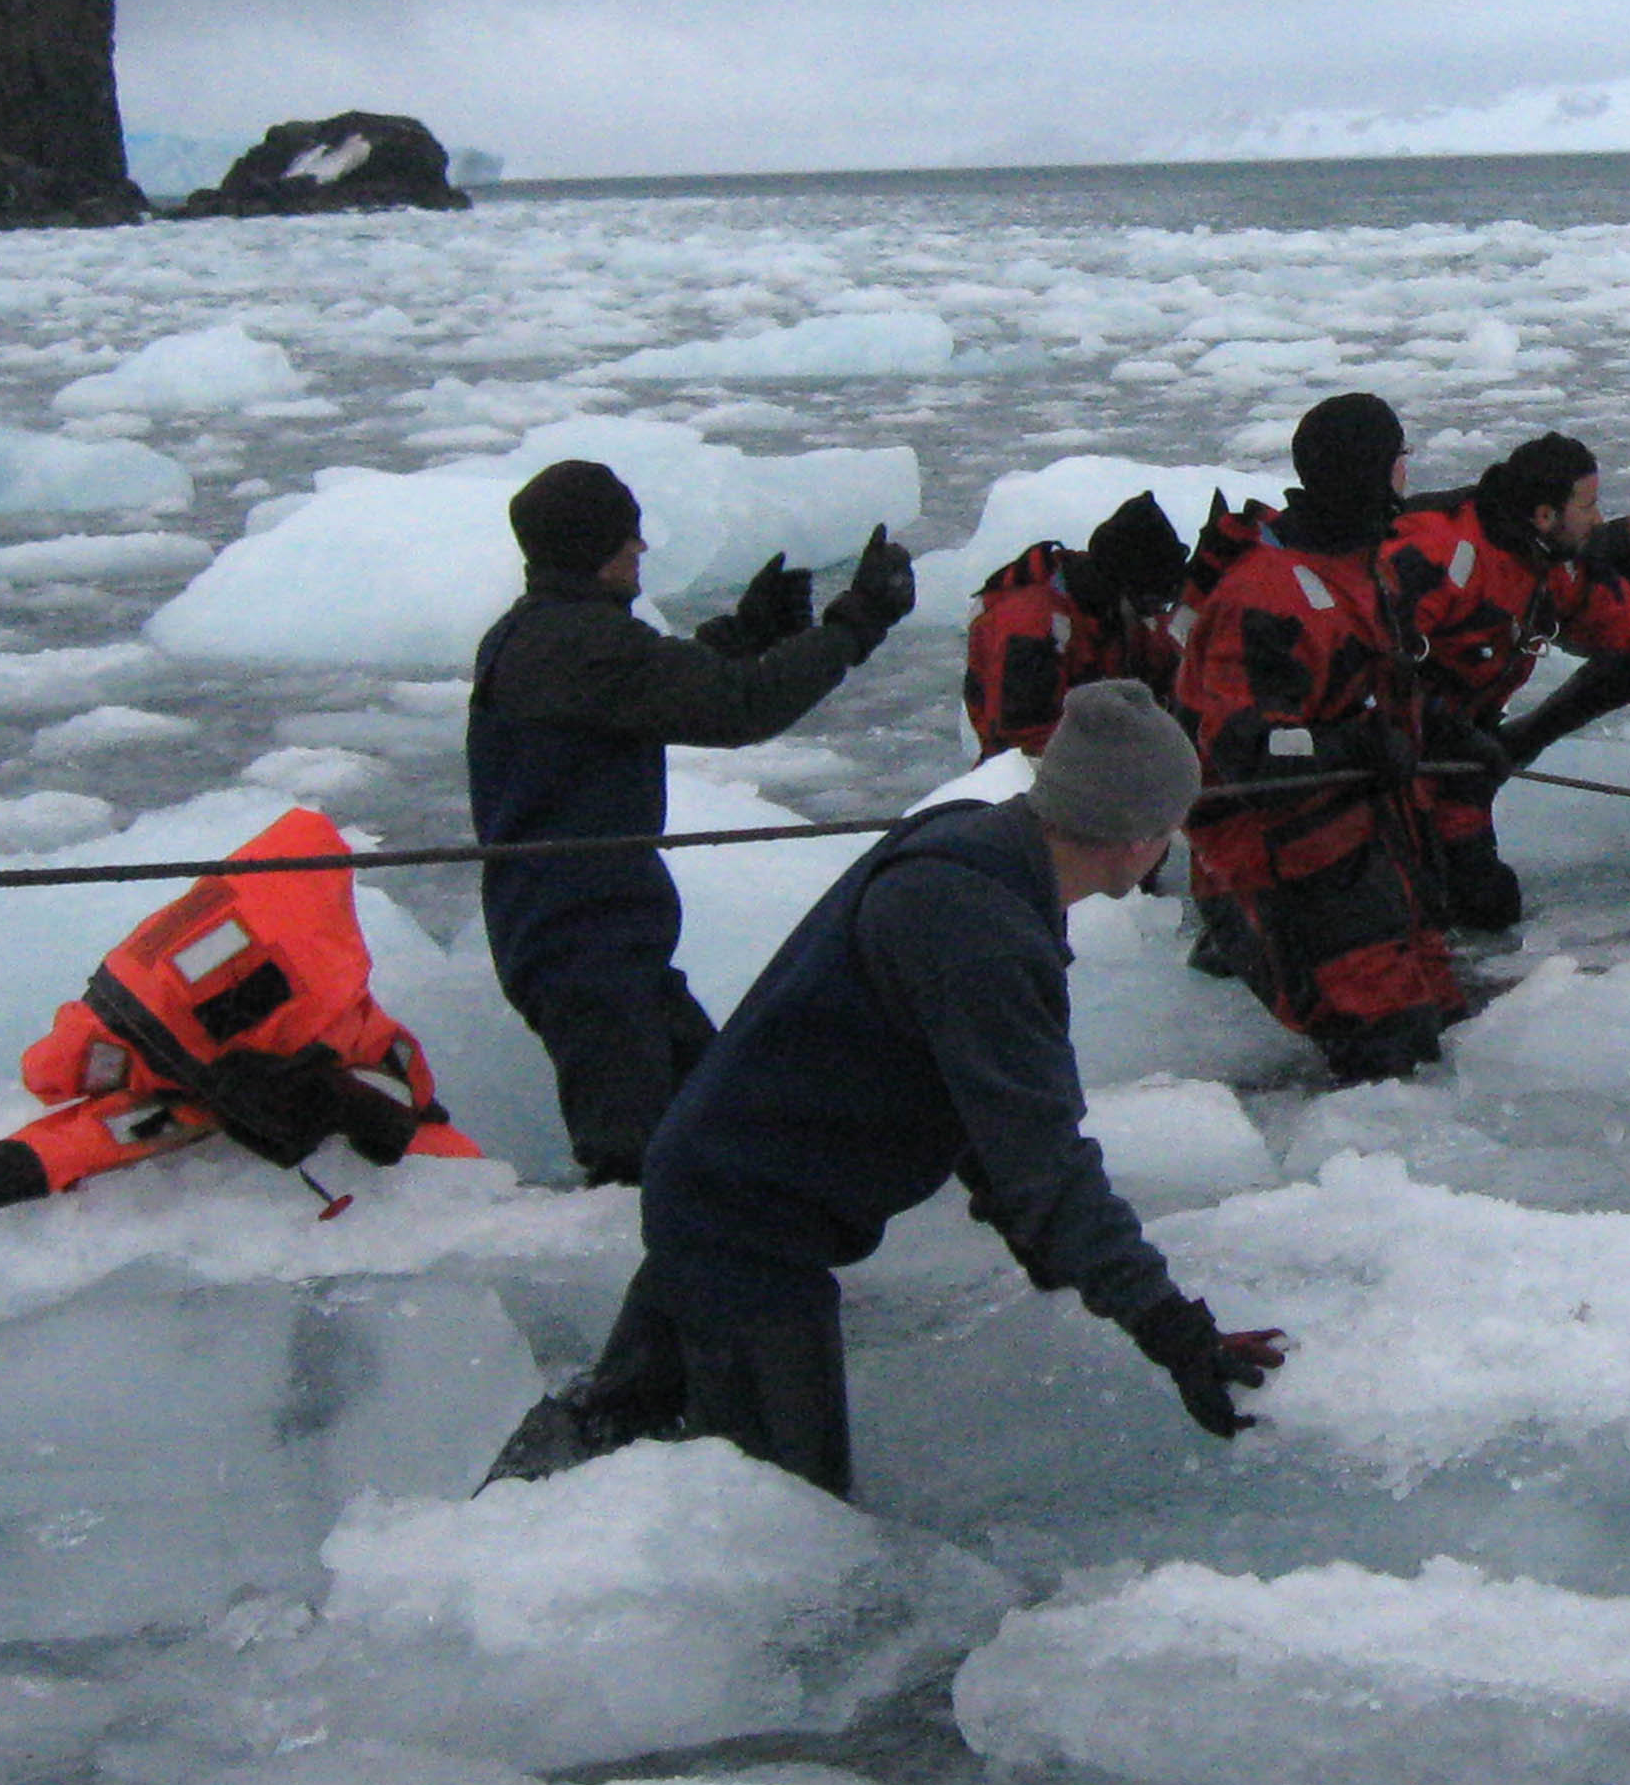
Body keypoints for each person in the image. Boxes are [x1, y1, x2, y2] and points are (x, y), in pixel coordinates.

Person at [481, 680, 1284, 1496]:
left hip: (719, 1190)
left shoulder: (977, 854)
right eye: (1170, 826)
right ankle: (484, 1560)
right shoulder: (983, 929)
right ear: (1132, 835)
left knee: (609, 1428)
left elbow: (974, 1100)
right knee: (792, 1516)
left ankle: (490, 1537)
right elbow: (1045, 1159)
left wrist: (1045, 1246)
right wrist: (1175, 1332)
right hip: (750, 1229)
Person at [469, 459, 914, 1188]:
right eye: (628, 536)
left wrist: (748, 632)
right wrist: (856, 624)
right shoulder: (579, 643)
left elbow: (653, 688)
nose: (640, 549)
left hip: (599, 942)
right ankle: (644, 1287)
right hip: (584, 950)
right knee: (639, 1166)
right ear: (595, 547)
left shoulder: (544, 633)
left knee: (715, 1132)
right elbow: (740, 707)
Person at [1176, 392, 1467, 1079]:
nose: (1406, 475)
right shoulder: (1262, 596)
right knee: (1384, 1047)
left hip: (1367, 839)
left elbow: (1381, 684)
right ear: (1372, 470)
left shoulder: (1368, 564)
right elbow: (1248, 751)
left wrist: (1450, 735)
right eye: (1399, 460)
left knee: (1446, 1018)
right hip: (1277, 856)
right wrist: (1360, 748)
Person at [1380, 433, 1630, 930]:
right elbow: (1367, 667)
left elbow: (1622, 618)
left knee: (1486, 907)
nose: (1599, 519)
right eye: (1589, 505)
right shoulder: (1438, 553)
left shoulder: (1544, 565)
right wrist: (1450, 733)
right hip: (1381, 764)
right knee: (1394, 919)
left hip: (1456, 762)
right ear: (1544, 515)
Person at [962, 489, 1190, 755]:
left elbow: (1160, 664)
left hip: (1096, 755)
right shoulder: (1030, 623)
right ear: (1122, 588)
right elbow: (1025, 738)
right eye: (1150, 604)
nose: (1151, 616)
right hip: (1032, 774)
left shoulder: (1106, 609)